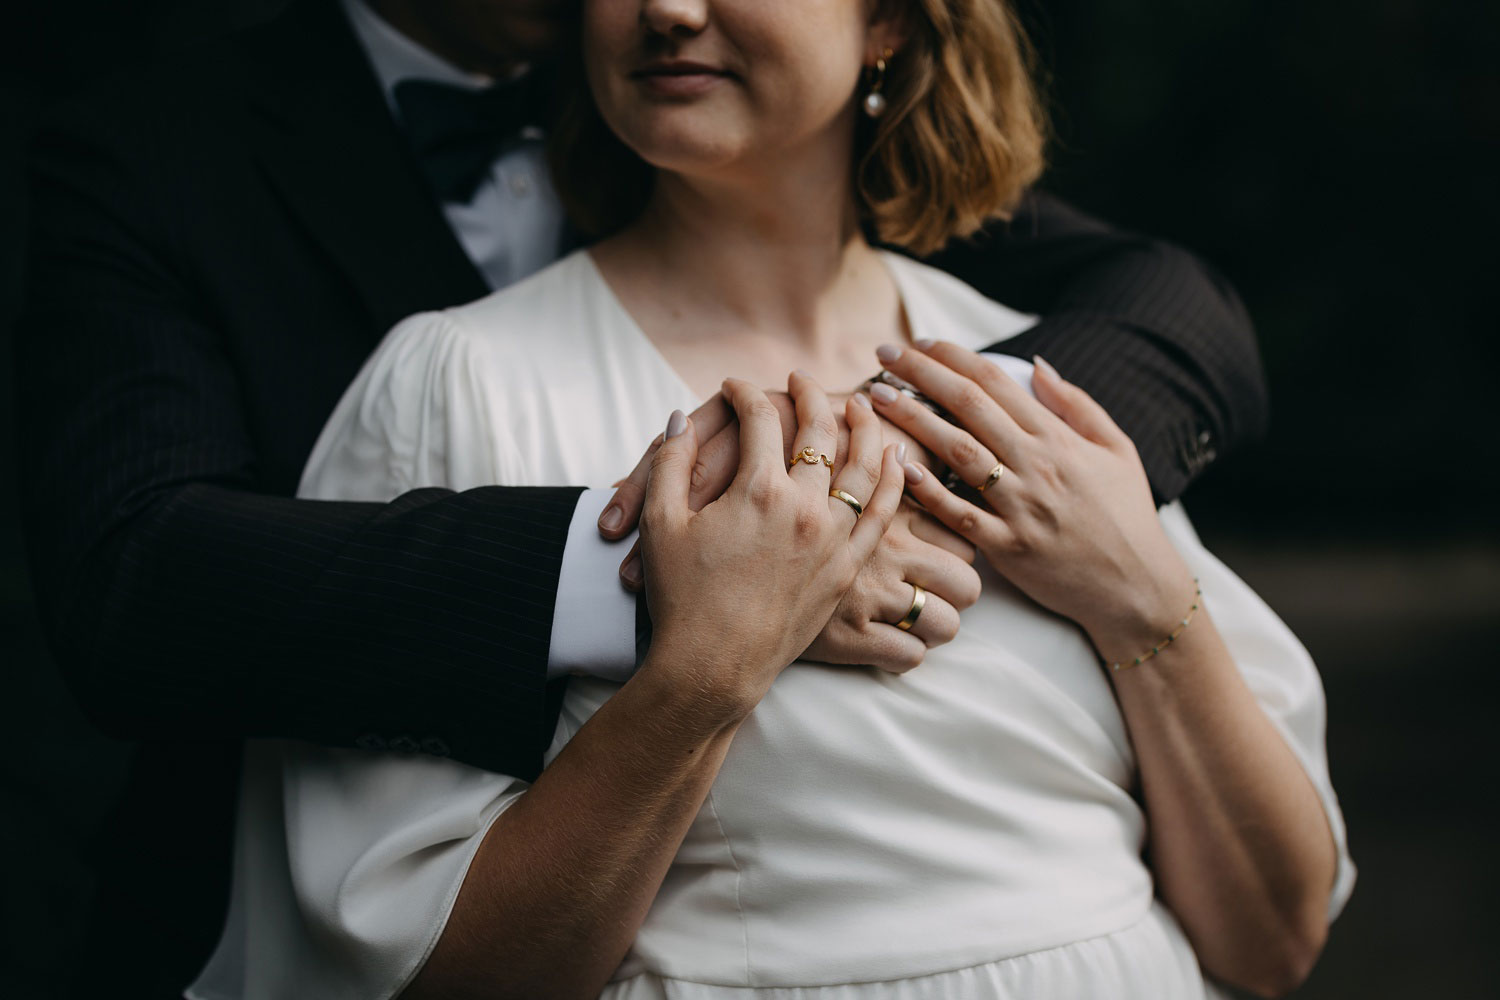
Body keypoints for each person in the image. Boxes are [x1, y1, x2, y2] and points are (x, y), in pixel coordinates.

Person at [17, 0, 1264, 993]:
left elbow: (1169, 298)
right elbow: (137, 582)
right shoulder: (172, 152)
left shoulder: (769, 125)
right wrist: (663, 585)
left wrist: (935, 473)